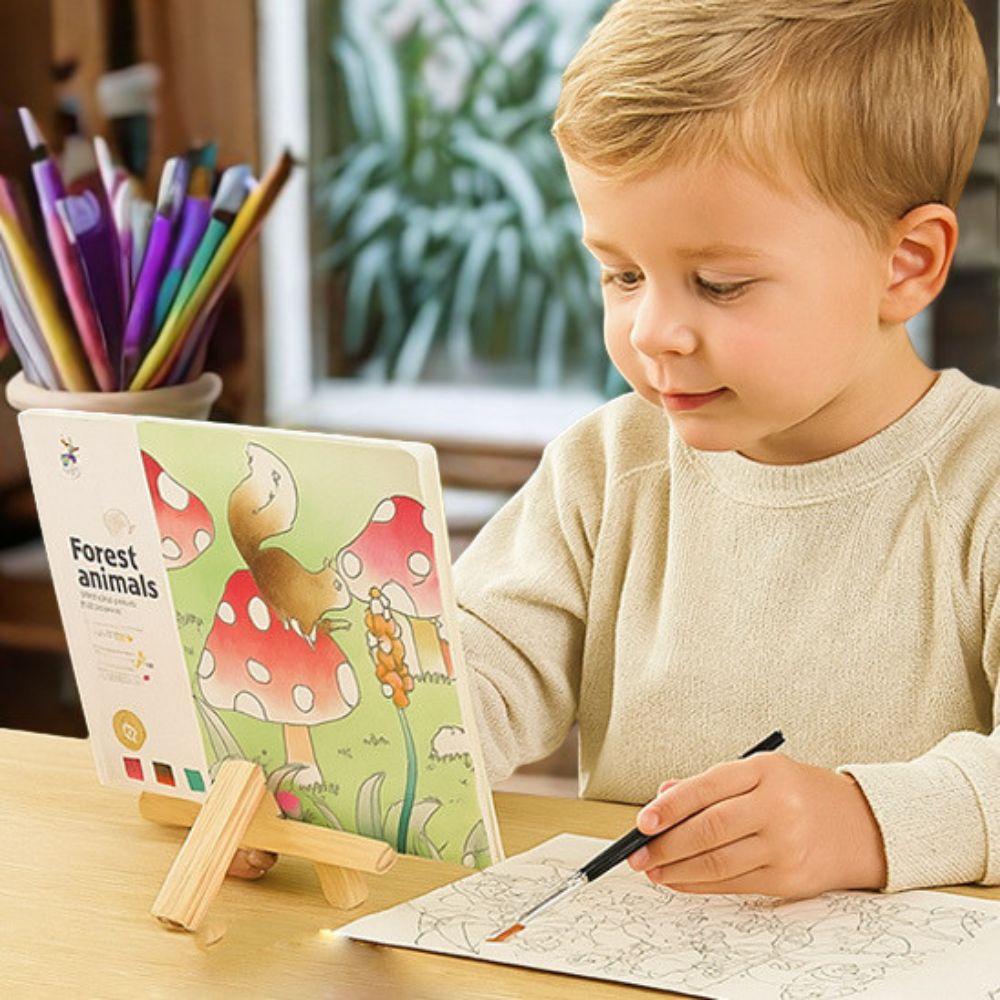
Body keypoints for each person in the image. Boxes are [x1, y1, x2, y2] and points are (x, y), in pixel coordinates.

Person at [232, 0, 997, 896]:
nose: (653, 331)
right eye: (623, 274)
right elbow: (473, 671)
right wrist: (312, 770)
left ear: (906, 264)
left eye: (720, 283)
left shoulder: (983, 483)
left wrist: (862, 824)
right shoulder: (608, 466)